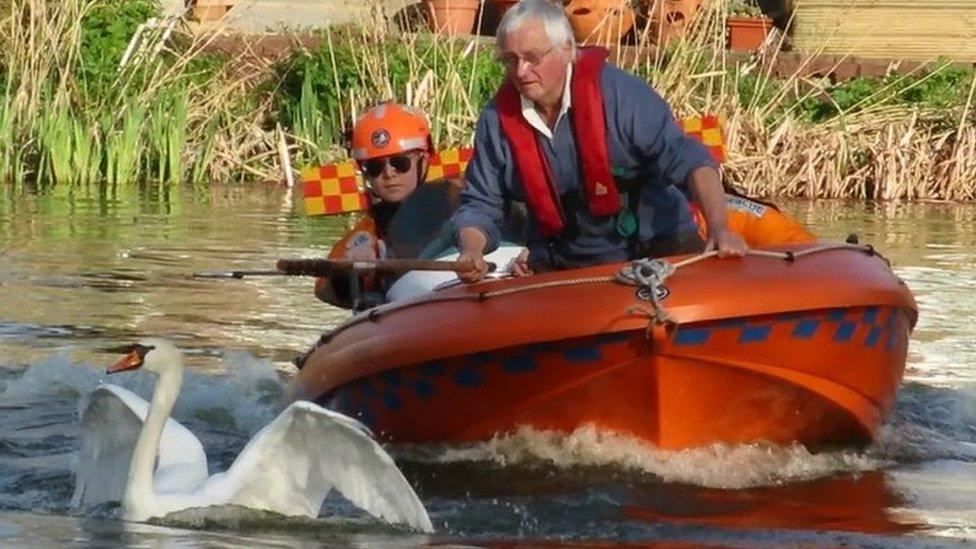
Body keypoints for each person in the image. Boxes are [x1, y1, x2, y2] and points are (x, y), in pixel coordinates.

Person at [451, 0, 748, 283]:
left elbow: (692, 162)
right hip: (565, 268)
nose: (520, 72)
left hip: (658, 253)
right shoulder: (495, 120)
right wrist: (471, 250)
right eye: (510, 60)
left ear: (567, 49)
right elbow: (480, 203)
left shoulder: (623, 96)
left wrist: (719, 229)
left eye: (533, 58)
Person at [315, 101, 460, 309]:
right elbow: (324, 289)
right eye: (375, 167)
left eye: (400, 163)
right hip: (408, 313)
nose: (389, 173)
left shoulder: (460, 198)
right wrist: (347, 271)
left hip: (465, 293)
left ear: (424, 160)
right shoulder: (368, 234)